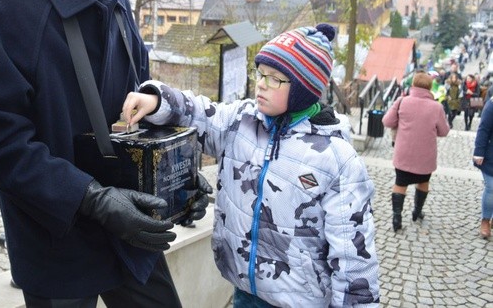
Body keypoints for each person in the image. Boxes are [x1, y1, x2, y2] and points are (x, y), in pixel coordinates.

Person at [0, 0, 210, 307]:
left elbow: (137, 103)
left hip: (126, 222)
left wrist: (175, 179)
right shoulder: (9, 3)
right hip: (55, 233)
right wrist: (91, 199)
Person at [122, 24, 380, 308]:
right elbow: (198, 113)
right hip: (244, 290)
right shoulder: (240, 121)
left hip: (300, 300)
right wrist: (157, 100)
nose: (262, 84)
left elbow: (353, 255)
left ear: (304, 90)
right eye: (261, 73)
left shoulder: (336, 159)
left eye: (275, 79)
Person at [382, 71, 450, 232]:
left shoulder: (402, 101)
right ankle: (417, 212)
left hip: (403, 153)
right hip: (425, 156)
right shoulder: (437, 107)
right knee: (423, 182)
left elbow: (387, 121)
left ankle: (396, 217)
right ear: (429, 87)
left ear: (413, 85)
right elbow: (444, 131)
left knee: (400, 184)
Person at [473, 96, 493, 238]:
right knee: (491, 187)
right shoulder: (491, 105)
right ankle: (485, 220)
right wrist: (479, 152)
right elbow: (484, 129)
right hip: (490, 155)